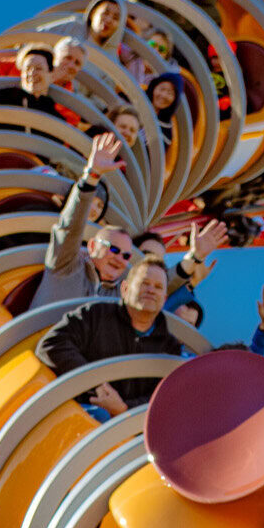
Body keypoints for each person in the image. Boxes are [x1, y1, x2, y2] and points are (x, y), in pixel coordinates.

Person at [35, 257, 182, 414]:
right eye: (144, 283)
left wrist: (124, 408)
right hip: (77, 411)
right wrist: (97, 386)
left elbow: (164, 396)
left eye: (158, 287)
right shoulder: (95, 314)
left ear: (164, 299)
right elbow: (51, 345)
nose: (151, 290)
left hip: (128, 430)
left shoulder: (170, 349)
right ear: (124, 289)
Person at [31, 133, 129, 308]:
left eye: (126, 255)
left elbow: (156, 288)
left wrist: (193, 261)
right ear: (92, 246)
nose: (119, 258)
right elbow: (70, 228)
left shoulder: (119, 295)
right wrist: (92, 176)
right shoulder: (67, 264)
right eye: (113, 249)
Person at [0, 43, 61, 118]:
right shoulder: (0, 98)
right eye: (27, 68)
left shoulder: (55, 117)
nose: (32, 73)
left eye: (38, 68)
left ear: (51, 75)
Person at [145, 69, 185, 145]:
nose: (163, 95)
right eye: (162, 89)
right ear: (154, 87)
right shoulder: (131, 103)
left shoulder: (166, 131)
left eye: (170, 93)